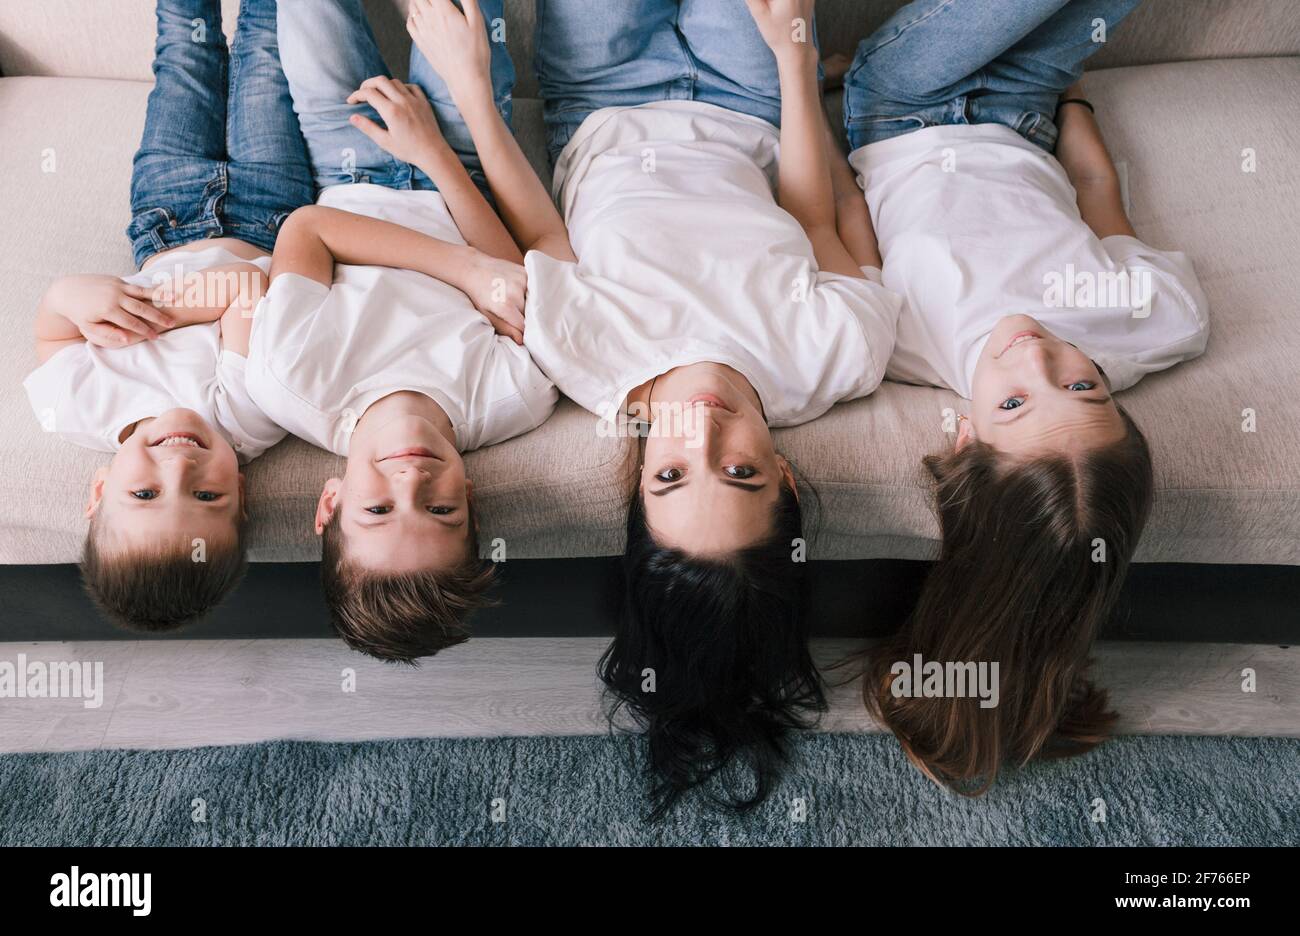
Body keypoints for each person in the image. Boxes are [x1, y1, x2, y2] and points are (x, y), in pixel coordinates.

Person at [403, 0, 901, 813]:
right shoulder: (835, 355)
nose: (701, 426)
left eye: (672, 473)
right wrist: (793, 58)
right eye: (738, 471)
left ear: (638, 481)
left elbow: (538, 223)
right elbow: (815, 213)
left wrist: (470, 90)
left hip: (603, 100)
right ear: (788, 481)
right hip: (751, 96)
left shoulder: (587, 364)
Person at [839, 0, 1209, 791]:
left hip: (903, 107)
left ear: (964, 441)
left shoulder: (899, 343)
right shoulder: (1153, 321)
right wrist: (1071, 99)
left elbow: (845, 216)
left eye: (1013, 404)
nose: (1035, 355)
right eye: (1083, 385)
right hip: (1025, 109)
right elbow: (1097, 189)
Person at [247, 0, 557, 662]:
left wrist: (464, 270)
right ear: (471, 501)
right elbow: (510, 276)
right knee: (463, 18)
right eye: (440, 511)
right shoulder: (511, 400)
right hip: (461, 165)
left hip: (346, 158)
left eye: (379, 511)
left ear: (329, 504)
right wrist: (436, 155)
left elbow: (306, 229)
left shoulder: (291, 381)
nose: (411, 482)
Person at [24, 0, 313, 631]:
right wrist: (145, 311)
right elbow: (250, 285)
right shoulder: (252, 415)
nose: (179, 467)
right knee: (267, 53)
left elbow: (52, 325)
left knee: (184, 54)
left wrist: (73, 297)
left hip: (164, 216)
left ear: (98, 492)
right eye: (206, 496)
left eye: (145, 494)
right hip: (270, 207)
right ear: (242, 497)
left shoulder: (80, 409)